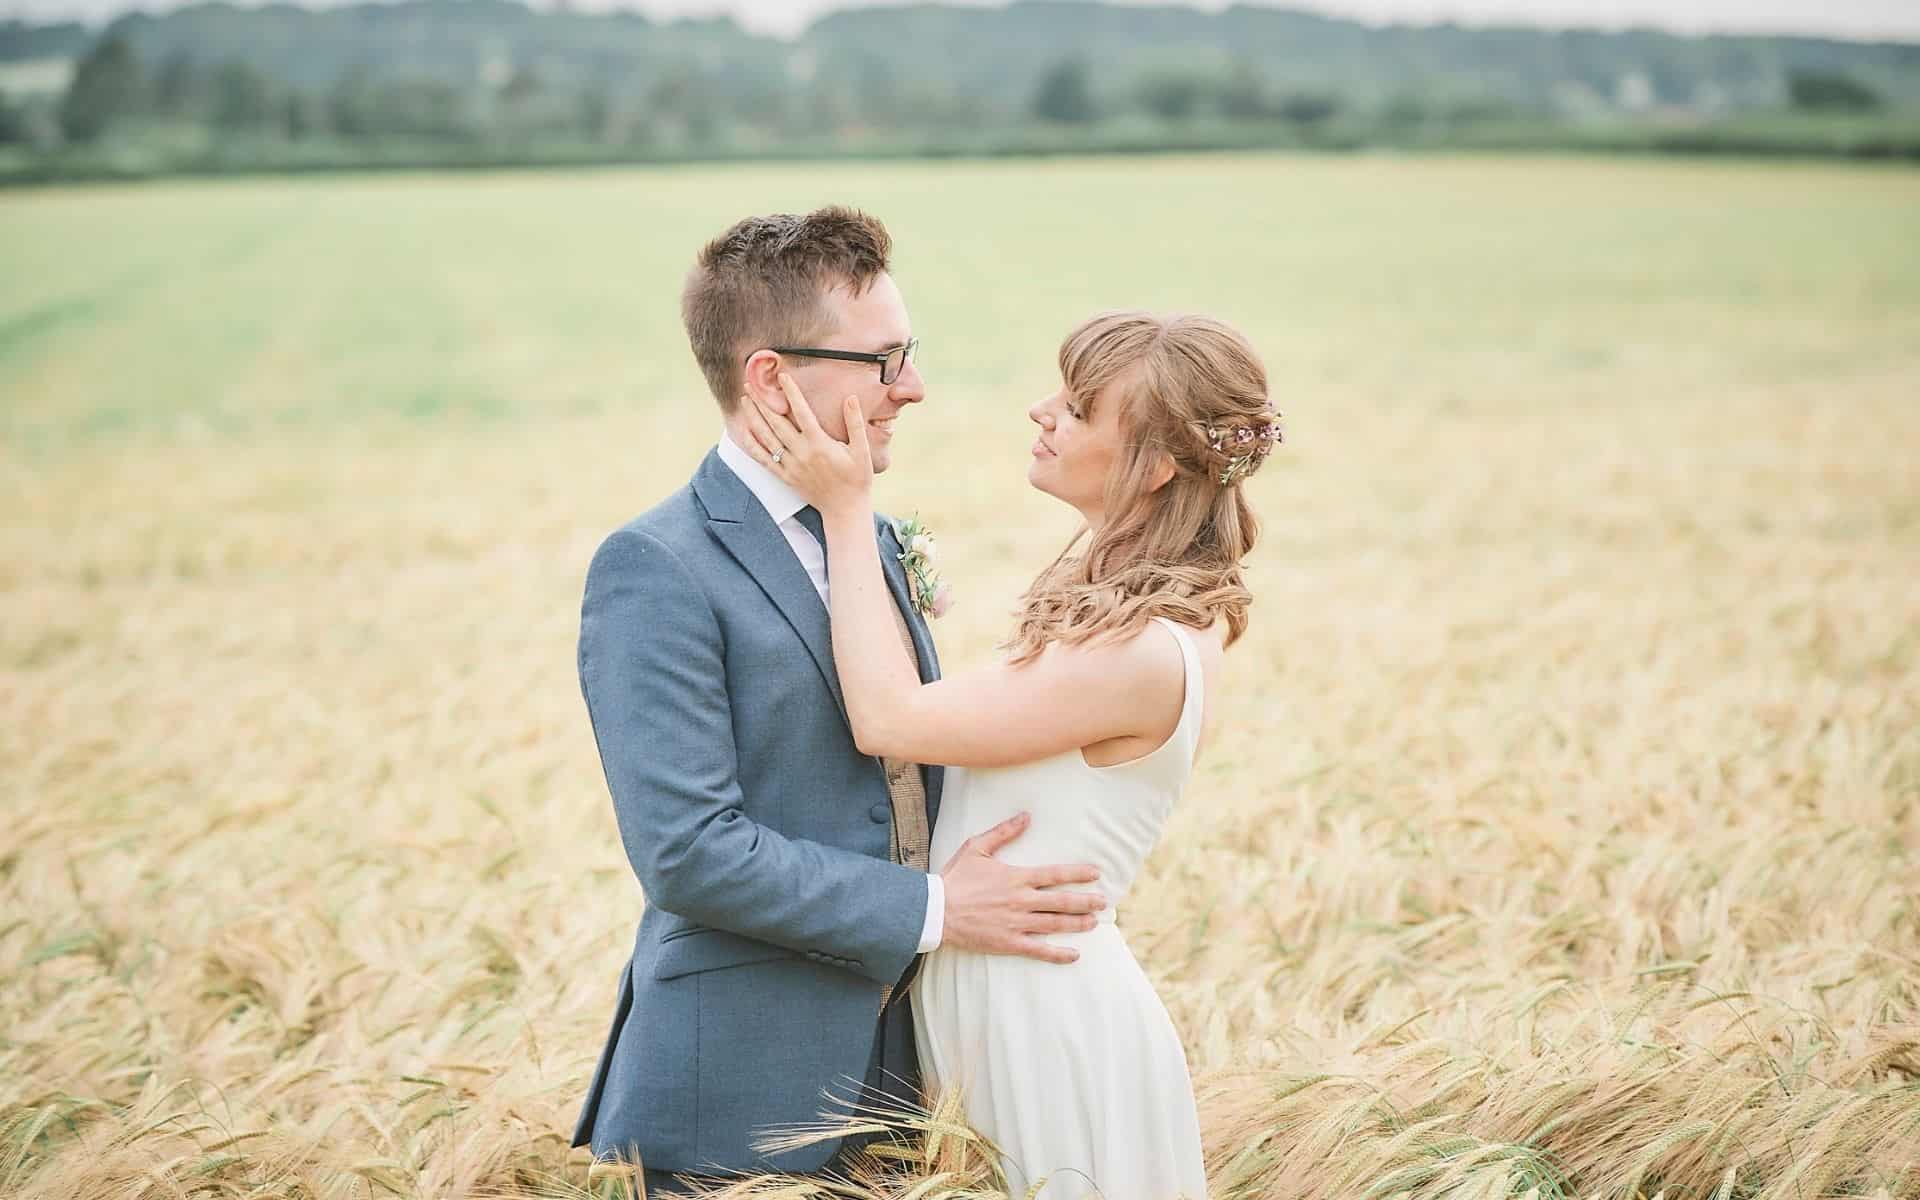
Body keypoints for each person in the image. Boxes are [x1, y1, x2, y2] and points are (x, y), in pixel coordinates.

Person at [568, 206, 1111, 1192]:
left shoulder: (871, 532)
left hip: (907, 1070)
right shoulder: (655, 566)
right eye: (883, 360)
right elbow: (689, 853)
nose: (913, 387)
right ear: (770, 375)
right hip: (739, 1084)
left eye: (911, 353)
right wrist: (941, 907)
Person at [737, 309, 1280, 1198]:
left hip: (1046, 1019)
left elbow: (888, 720)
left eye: (1076, 406)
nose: (1041, 412)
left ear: (1159, 461)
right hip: (998, 997)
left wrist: (844, 508)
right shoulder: (1117, 614)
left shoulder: (1141, 650)